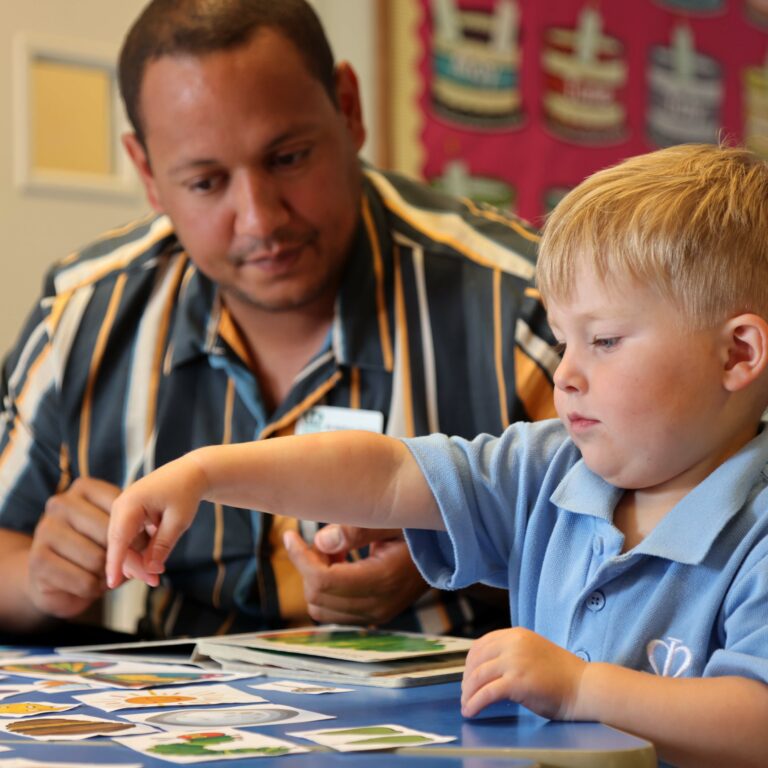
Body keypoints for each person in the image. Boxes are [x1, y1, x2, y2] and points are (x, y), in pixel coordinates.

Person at [107, 143, 768, 767]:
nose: (565, 373)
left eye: (604, 340)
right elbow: (387, 473)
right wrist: (204, 473)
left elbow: (757, 721)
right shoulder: (550, 465)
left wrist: (581, 689)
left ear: (737, 354)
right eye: (564, 340)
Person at [0, 0, 556, 640]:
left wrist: (459, 558)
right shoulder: (85, 317)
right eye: (206, 183)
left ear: (348, 108)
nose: (260, 219)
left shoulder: (523, 303)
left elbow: (644, 549)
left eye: (288, 158)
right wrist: (39, 577)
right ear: (148, 173)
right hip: (178, 718)